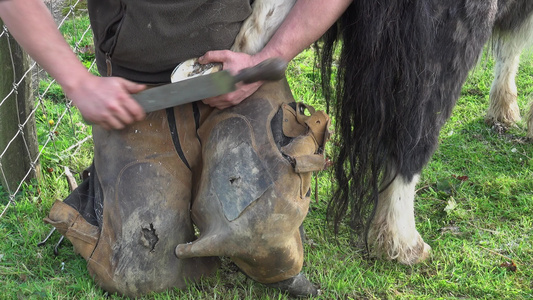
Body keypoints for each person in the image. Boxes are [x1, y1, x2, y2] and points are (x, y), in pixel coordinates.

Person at [0, 0, 352, 297]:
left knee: (264, 226)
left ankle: (244, 200)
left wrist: (272, 56)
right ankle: (110, 195)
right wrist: (77, 83)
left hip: (240, 71)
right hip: (139, 91)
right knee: (140, 268)